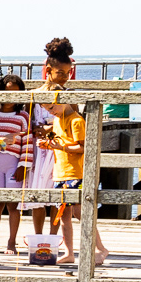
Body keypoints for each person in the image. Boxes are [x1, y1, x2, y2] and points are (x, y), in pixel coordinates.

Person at [37, 97, 105, 267]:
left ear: (62, 101)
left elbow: (83, 147)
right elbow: (61, 143)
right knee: (63, 215)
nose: (50, 112)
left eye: (52, 107)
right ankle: (69, 252)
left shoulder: (76, 121)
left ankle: (100, 248)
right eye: (47, 109)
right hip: (60, 172)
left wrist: (61, 147)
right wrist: (49, 145)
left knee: (80, 213)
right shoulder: (57, 120)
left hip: (75, 172)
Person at [26, 38, 75, 237]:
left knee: (57, 195)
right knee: (37, 194)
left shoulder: (70, 95)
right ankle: (38, 236)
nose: (65, 77)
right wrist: (36, 129)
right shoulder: (34, 95)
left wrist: (49, 128)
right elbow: (27, 120)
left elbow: (72, 122)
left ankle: (54, 236)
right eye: (60, 73)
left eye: (68, 73)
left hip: (58, 149)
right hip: (39, 150)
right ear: (48, 70)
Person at [0, 75, 32, 253]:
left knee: (13, 205)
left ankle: (11, 242)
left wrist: (24, 165)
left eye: (16, 93)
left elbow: (27, 142)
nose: (11, 96)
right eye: (7, 91)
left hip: (14, 165)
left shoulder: (22, 117)